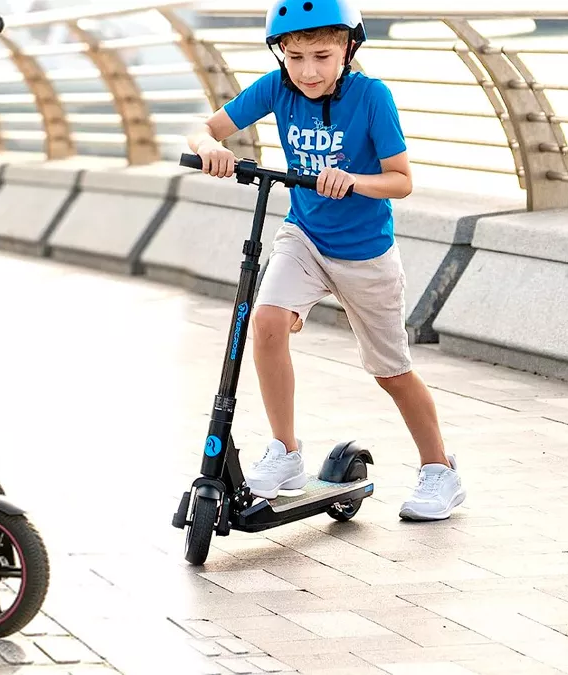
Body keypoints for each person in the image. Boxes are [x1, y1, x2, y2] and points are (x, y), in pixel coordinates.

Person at [186, 0, 466, 521]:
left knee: (391, 372)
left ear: (348, 50)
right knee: (265, 321)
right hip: (305, 236)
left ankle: (440, 471)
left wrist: (354, 181)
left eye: (322, 55)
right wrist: (211, 148)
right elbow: (204, 129)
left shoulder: (373, 97)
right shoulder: (277, 88)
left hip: (365, 253)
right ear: (281, 55)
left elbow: (401, 181)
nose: (308, 71)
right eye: (295, 57)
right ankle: (286, 453)